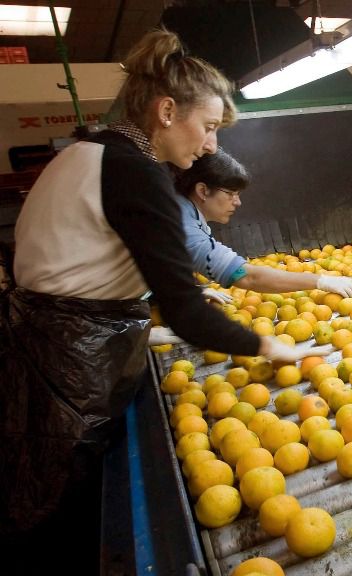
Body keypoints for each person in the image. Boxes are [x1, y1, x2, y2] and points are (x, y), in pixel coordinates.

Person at [0, 29, 326, 549]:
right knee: (59, 508)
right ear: (167, 110)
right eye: (210, 126)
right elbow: (187, 310)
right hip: (65, 367)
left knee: (32, 489)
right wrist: (269, 345)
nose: (211, 145)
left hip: (43, 343)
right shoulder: (136, 172)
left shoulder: (91, 151)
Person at [174, 149, 352, 299]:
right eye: (231, 194)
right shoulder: (183, 225)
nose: (237, 202)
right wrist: (321, 281)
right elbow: (249, 277)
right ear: (203, 191)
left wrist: (187, 291)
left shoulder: (182, 209)